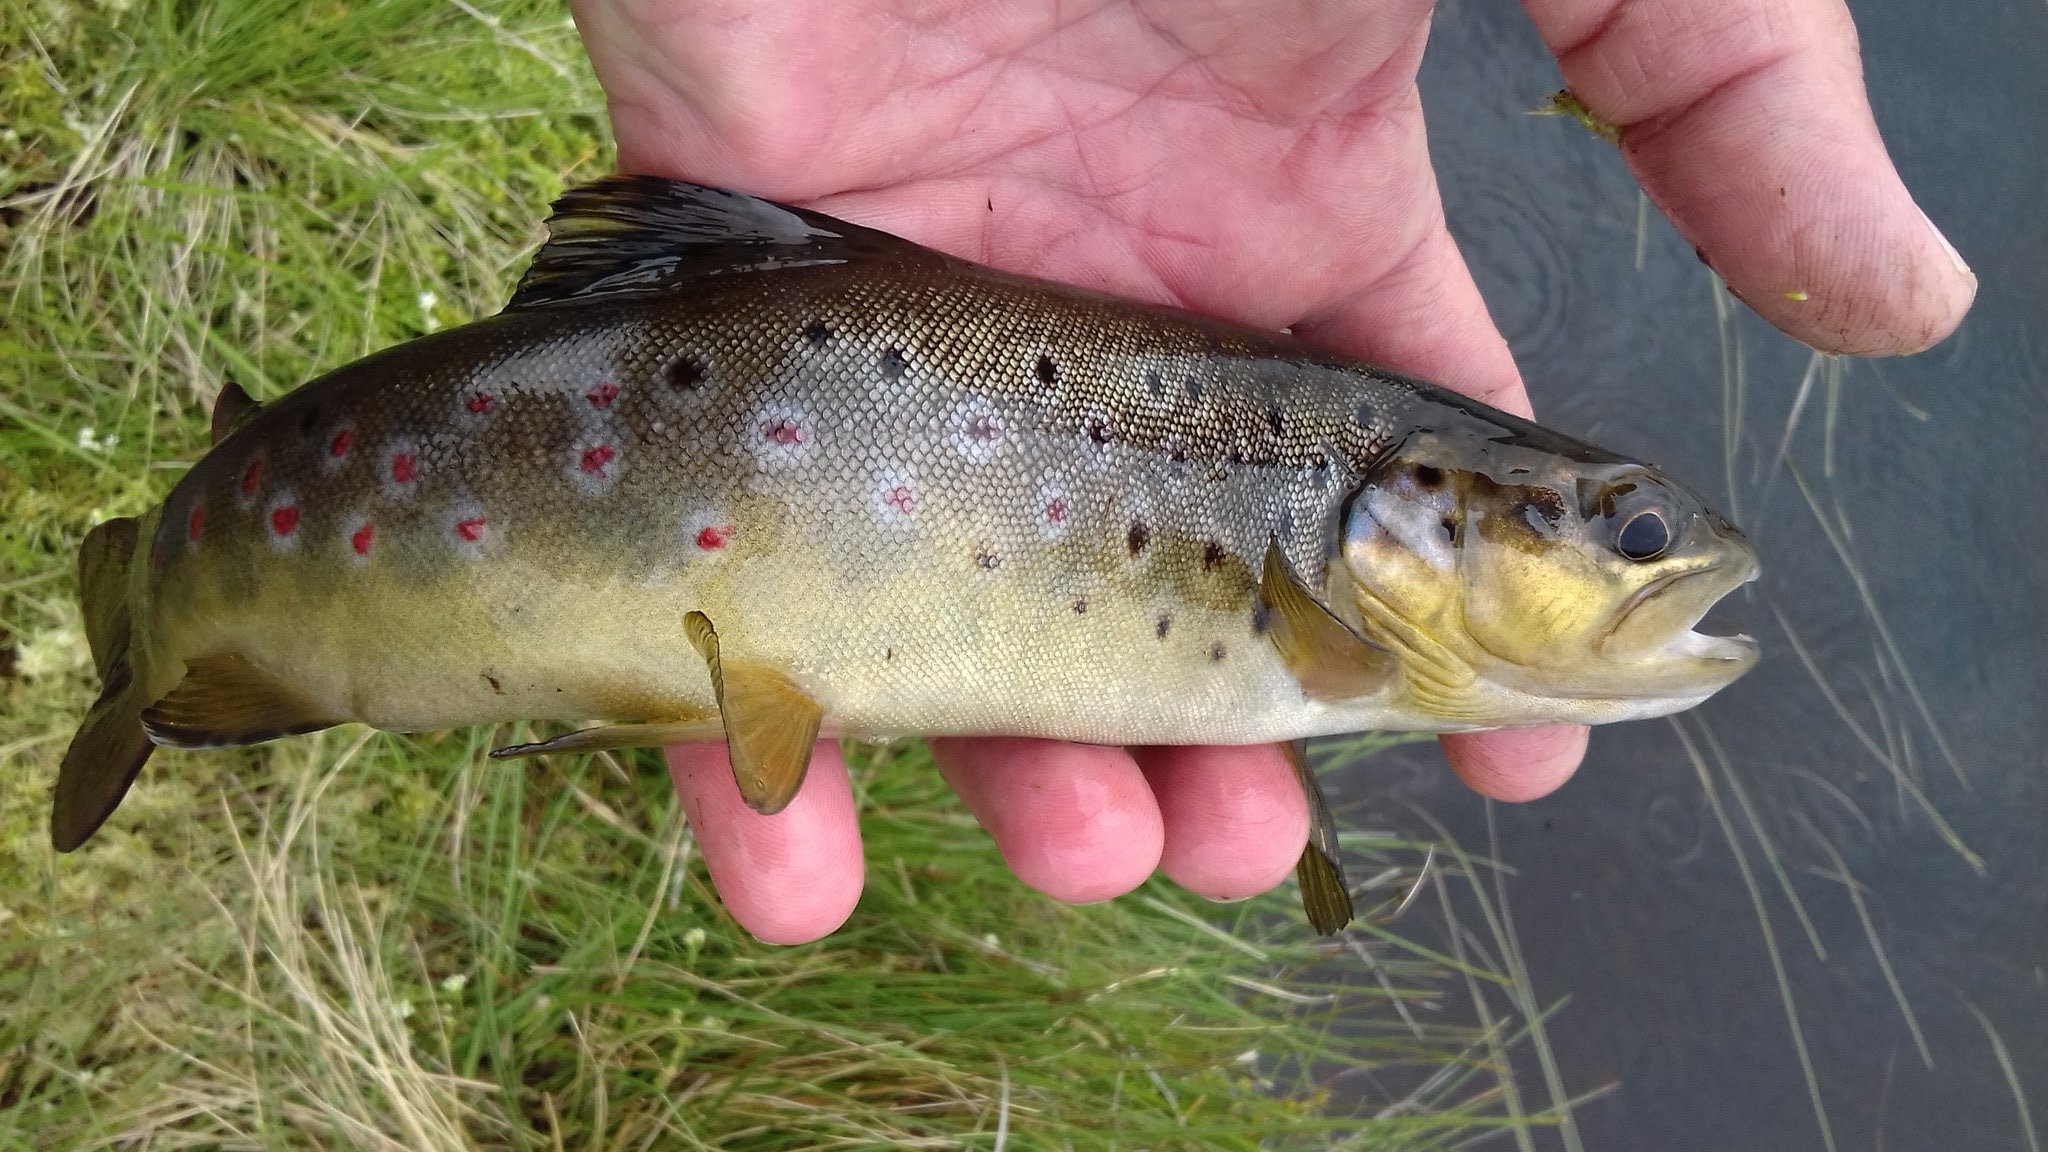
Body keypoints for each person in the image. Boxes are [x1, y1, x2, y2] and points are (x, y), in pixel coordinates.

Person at [566, 0, 1976, 944]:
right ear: (1411, 511)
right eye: (1638, 531)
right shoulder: (1342, 623)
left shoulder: (1353, 587)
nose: (1668, 559)